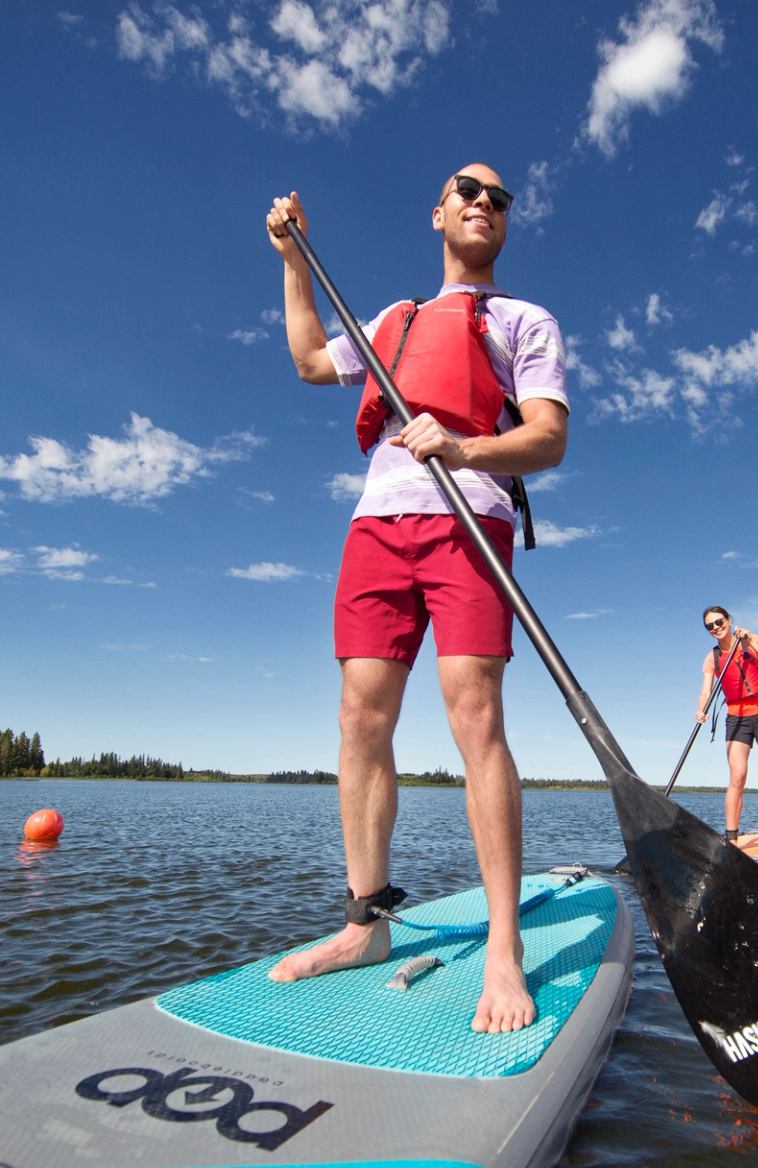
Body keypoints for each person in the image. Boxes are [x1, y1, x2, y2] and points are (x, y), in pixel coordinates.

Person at [262, 166, 569, 1034]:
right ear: (437, 211)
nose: (483, 202)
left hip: (470, 521)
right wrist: (291, 257)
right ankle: (365, 924)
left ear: (505, 223)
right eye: (466, 190)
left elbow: (546, 437)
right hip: (378, 527)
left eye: (499, 199)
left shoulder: (523, 320)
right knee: (360, 721)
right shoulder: (392, 321)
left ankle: (504, 949)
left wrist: (468, 448)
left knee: (475, 719)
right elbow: (312, 360)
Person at [694, 605, 758, 852]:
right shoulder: (712, 658)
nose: (716, 628)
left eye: (719, 622)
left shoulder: (750, 639)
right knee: (737, 776)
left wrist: (750, 642)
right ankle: (731, 838)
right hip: (736, 716)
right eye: (710, 626)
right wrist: (701, 709)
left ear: (729, 620)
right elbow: (706, 691)